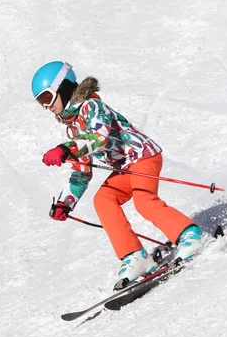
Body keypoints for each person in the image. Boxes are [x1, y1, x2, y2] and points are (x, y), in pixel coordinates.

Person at [31, 61, 205, 284]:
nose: (46, 107)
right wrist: (65, 202)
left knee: (144, 201)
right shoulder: (73, 126)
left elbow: (97, 137)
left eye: (47, 98)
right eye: (40, 103)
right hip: (125, 167)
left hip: (142, 156)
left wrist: (66, 149)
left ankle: (190, 235)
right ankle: (135, 255)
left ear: (63, 88)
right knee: (103, 200)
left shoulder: (92, 107)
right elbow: (82, 171)